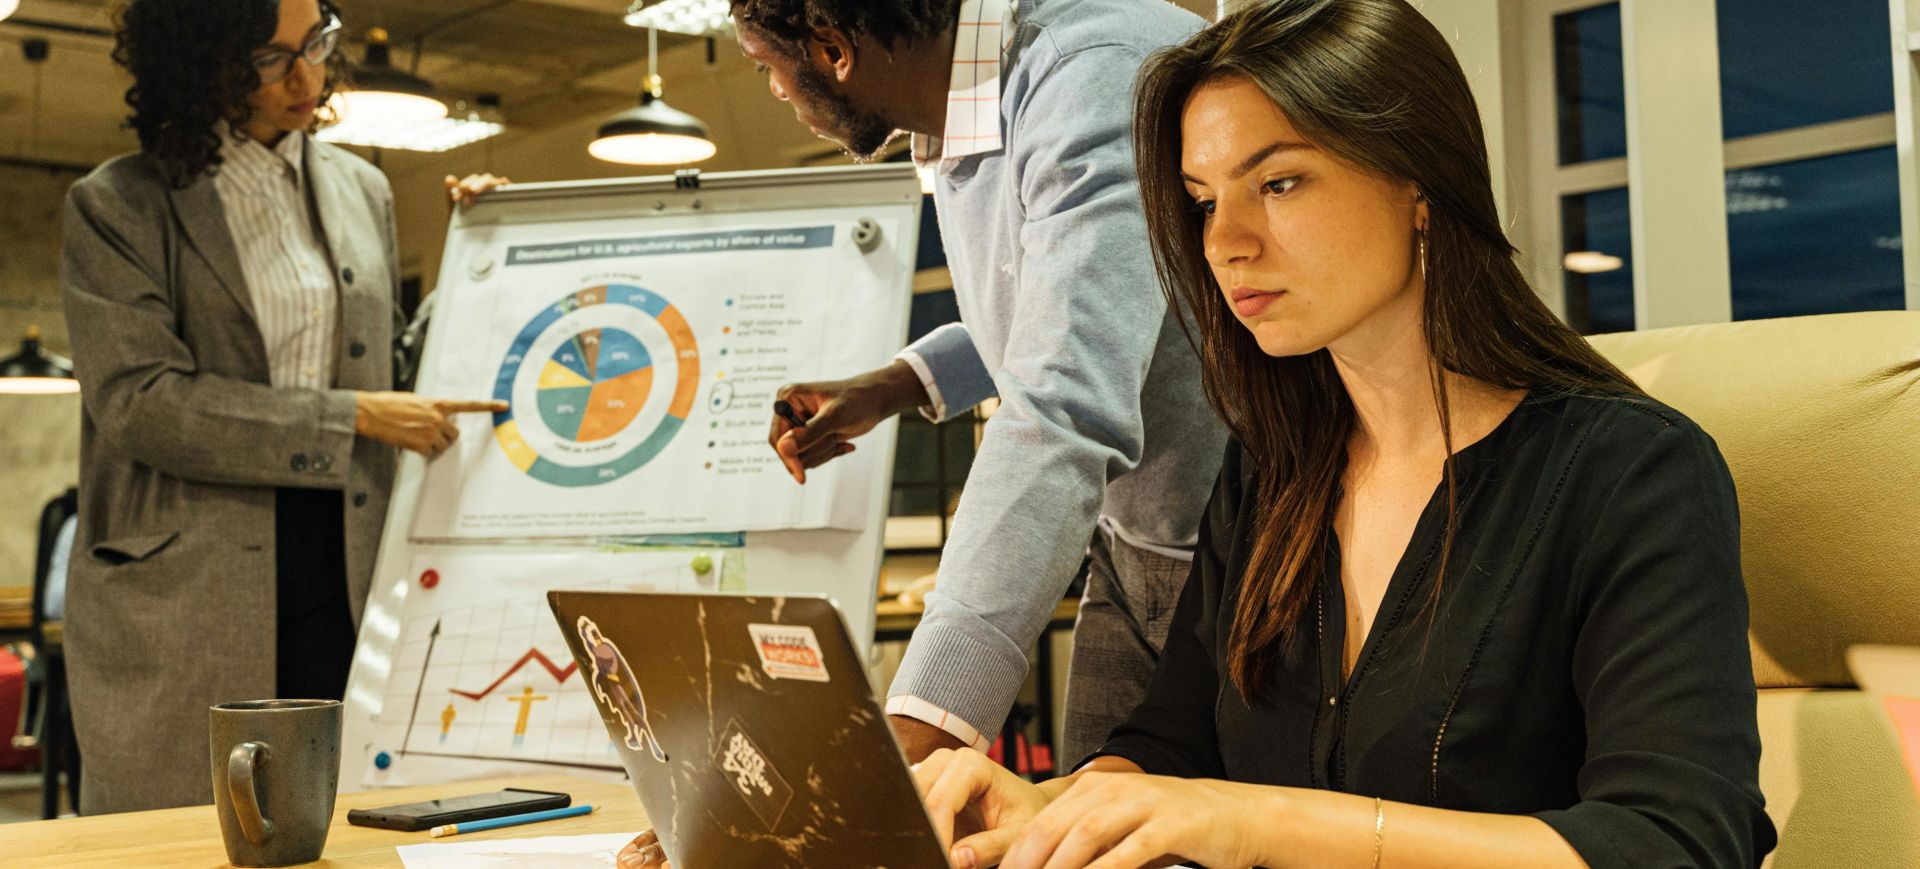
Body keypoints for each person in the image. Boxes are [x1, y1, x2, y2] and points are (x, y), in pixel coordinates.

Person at [897, 1, 1778, 867]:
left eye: (1278, 183)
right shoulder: (1270, 470)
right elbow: (1169, 747)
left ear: (1421, 187)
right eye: (1204, 202)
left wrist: (1248, 822)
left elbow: (1679, 840)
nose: (1226, 242)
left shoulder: (1632, 473)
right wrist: (1049, 804)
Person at [742, 0, 1231, 769]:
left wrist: (914, 731)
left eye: (764, 68)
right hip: (1135, 539)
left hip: (1245, 555)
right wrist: (897, 383)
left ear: (833, 47)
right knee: (1093, 835)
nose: (773, 92)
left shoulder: (1088, 77)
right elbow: (1077, 295)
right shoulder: (976, 90)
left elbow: (1064, 397)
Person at [60, 0, 505, 813]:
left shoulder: (360, 188)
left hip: (345, 559)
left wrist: (482, 251)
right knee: (187, 832)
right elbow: (142, 403)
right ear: (202, 60)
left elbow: (389, 370)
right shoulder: (120, 202)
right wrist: (350, 418)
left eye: (316, 44)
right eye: (271, 58)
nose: (308, 76)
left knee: (334, 819)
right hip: (188, 583)